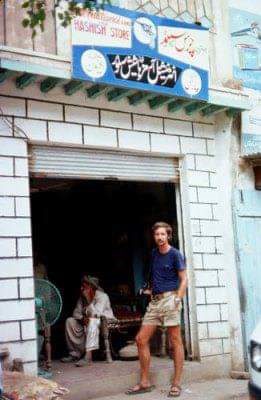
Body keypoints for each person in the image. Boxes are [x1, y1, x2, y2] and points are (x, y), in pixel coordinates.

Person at [126, 222, 187, 397]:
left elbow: (184, 279)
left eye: (163, 234)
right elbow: (156, 277)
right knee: (140, 339)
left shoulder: (175, 254)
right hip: (155, 302)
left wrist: (178, 298)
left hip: (170, 300)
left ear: (168, 235)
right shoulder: (154, 254)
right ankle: (145, 382)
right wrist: (148, 290)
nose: (159, 237)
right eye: (156, 234)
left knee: (175, 341)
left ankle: (176, 383)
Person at [61, 275, 115, 367]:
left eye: (84, 287)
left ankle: (88, 357)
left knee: (93, 321)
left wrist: (89, 300)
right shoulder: (82, 297)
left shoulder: (102, 296)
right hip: (87, 321)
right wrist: (82, 318)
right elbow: (75, 313)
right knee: (69, 321)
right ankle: (75, 354)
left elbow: (96, 313)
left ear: (91, 287)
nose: (81, 288)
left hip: (104, 321)